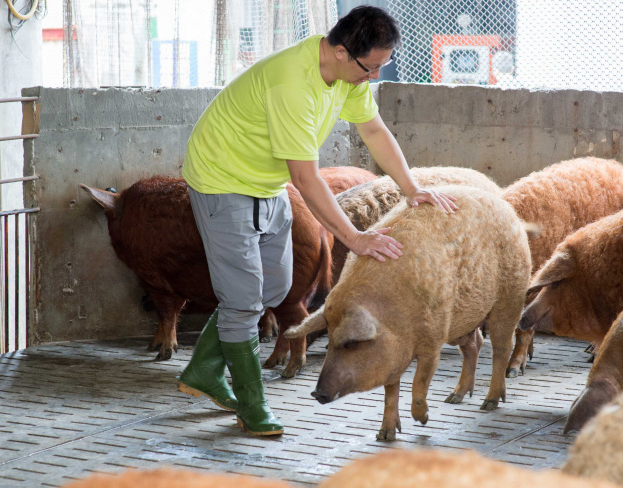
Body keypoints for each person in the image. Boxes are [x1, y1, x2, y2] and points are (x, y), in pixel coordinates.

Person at [176, 6, 458, 436]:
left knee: (274, 286)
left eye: (382, 67)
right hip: (222, 180)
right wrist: (355, 237)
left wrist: (411, 188)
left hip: (266, 183)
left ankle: (203, 370)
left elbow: (374, 131)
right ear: (342, 52)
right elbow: (306, 179)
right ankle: (252, 405)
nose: (374, 76)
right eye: (371, 67)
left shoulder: (348, 75)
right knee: (243, 301)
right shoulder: (293, 83)